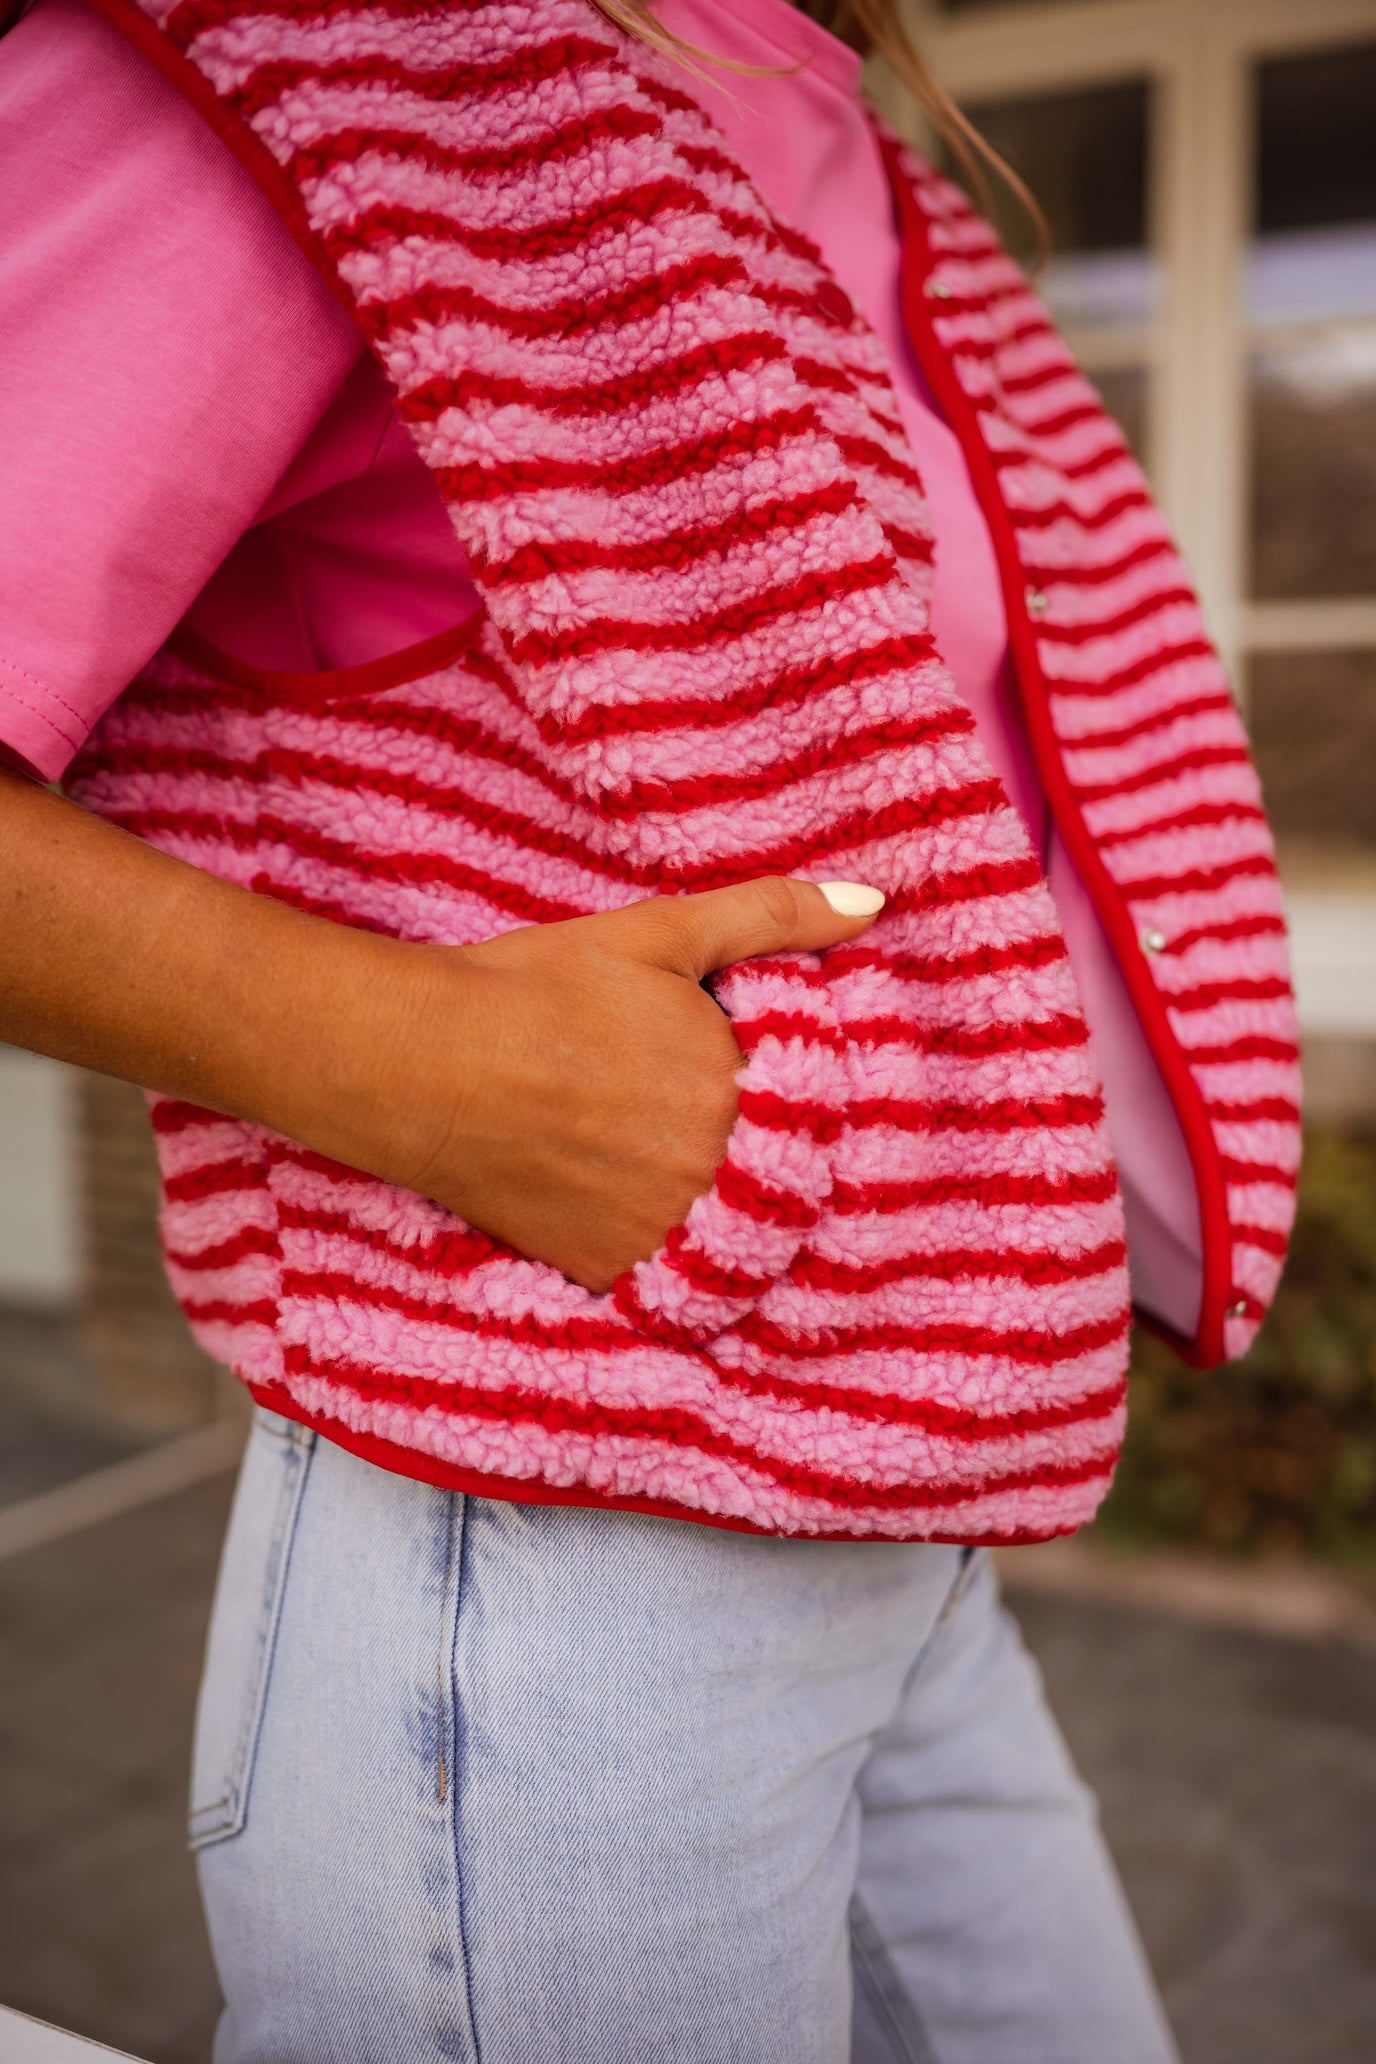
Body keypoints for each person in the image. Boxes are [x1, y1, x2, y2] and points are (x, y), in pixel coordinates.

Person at [0, 0, 1299, 2055]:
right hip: (552, 1512)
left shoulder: (840, 138)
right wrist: (427, 1067)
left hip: (898, 1500)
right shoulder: (321, 55)